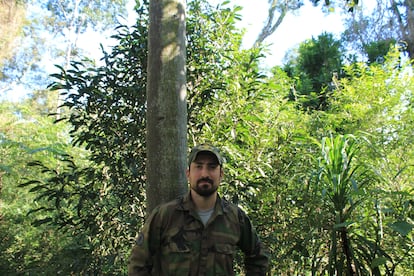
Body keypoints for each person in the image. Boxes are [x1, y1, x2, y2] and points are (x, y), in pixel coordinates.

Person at [128, 144, 269, 275]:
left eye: (212, 167)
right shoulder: (165, 215)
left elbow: (258, 258)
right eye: (199, 166)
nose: (204, 174)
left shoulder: (235, 218)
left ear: (221, 175)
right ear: (188, 173)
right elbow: (138, 263)